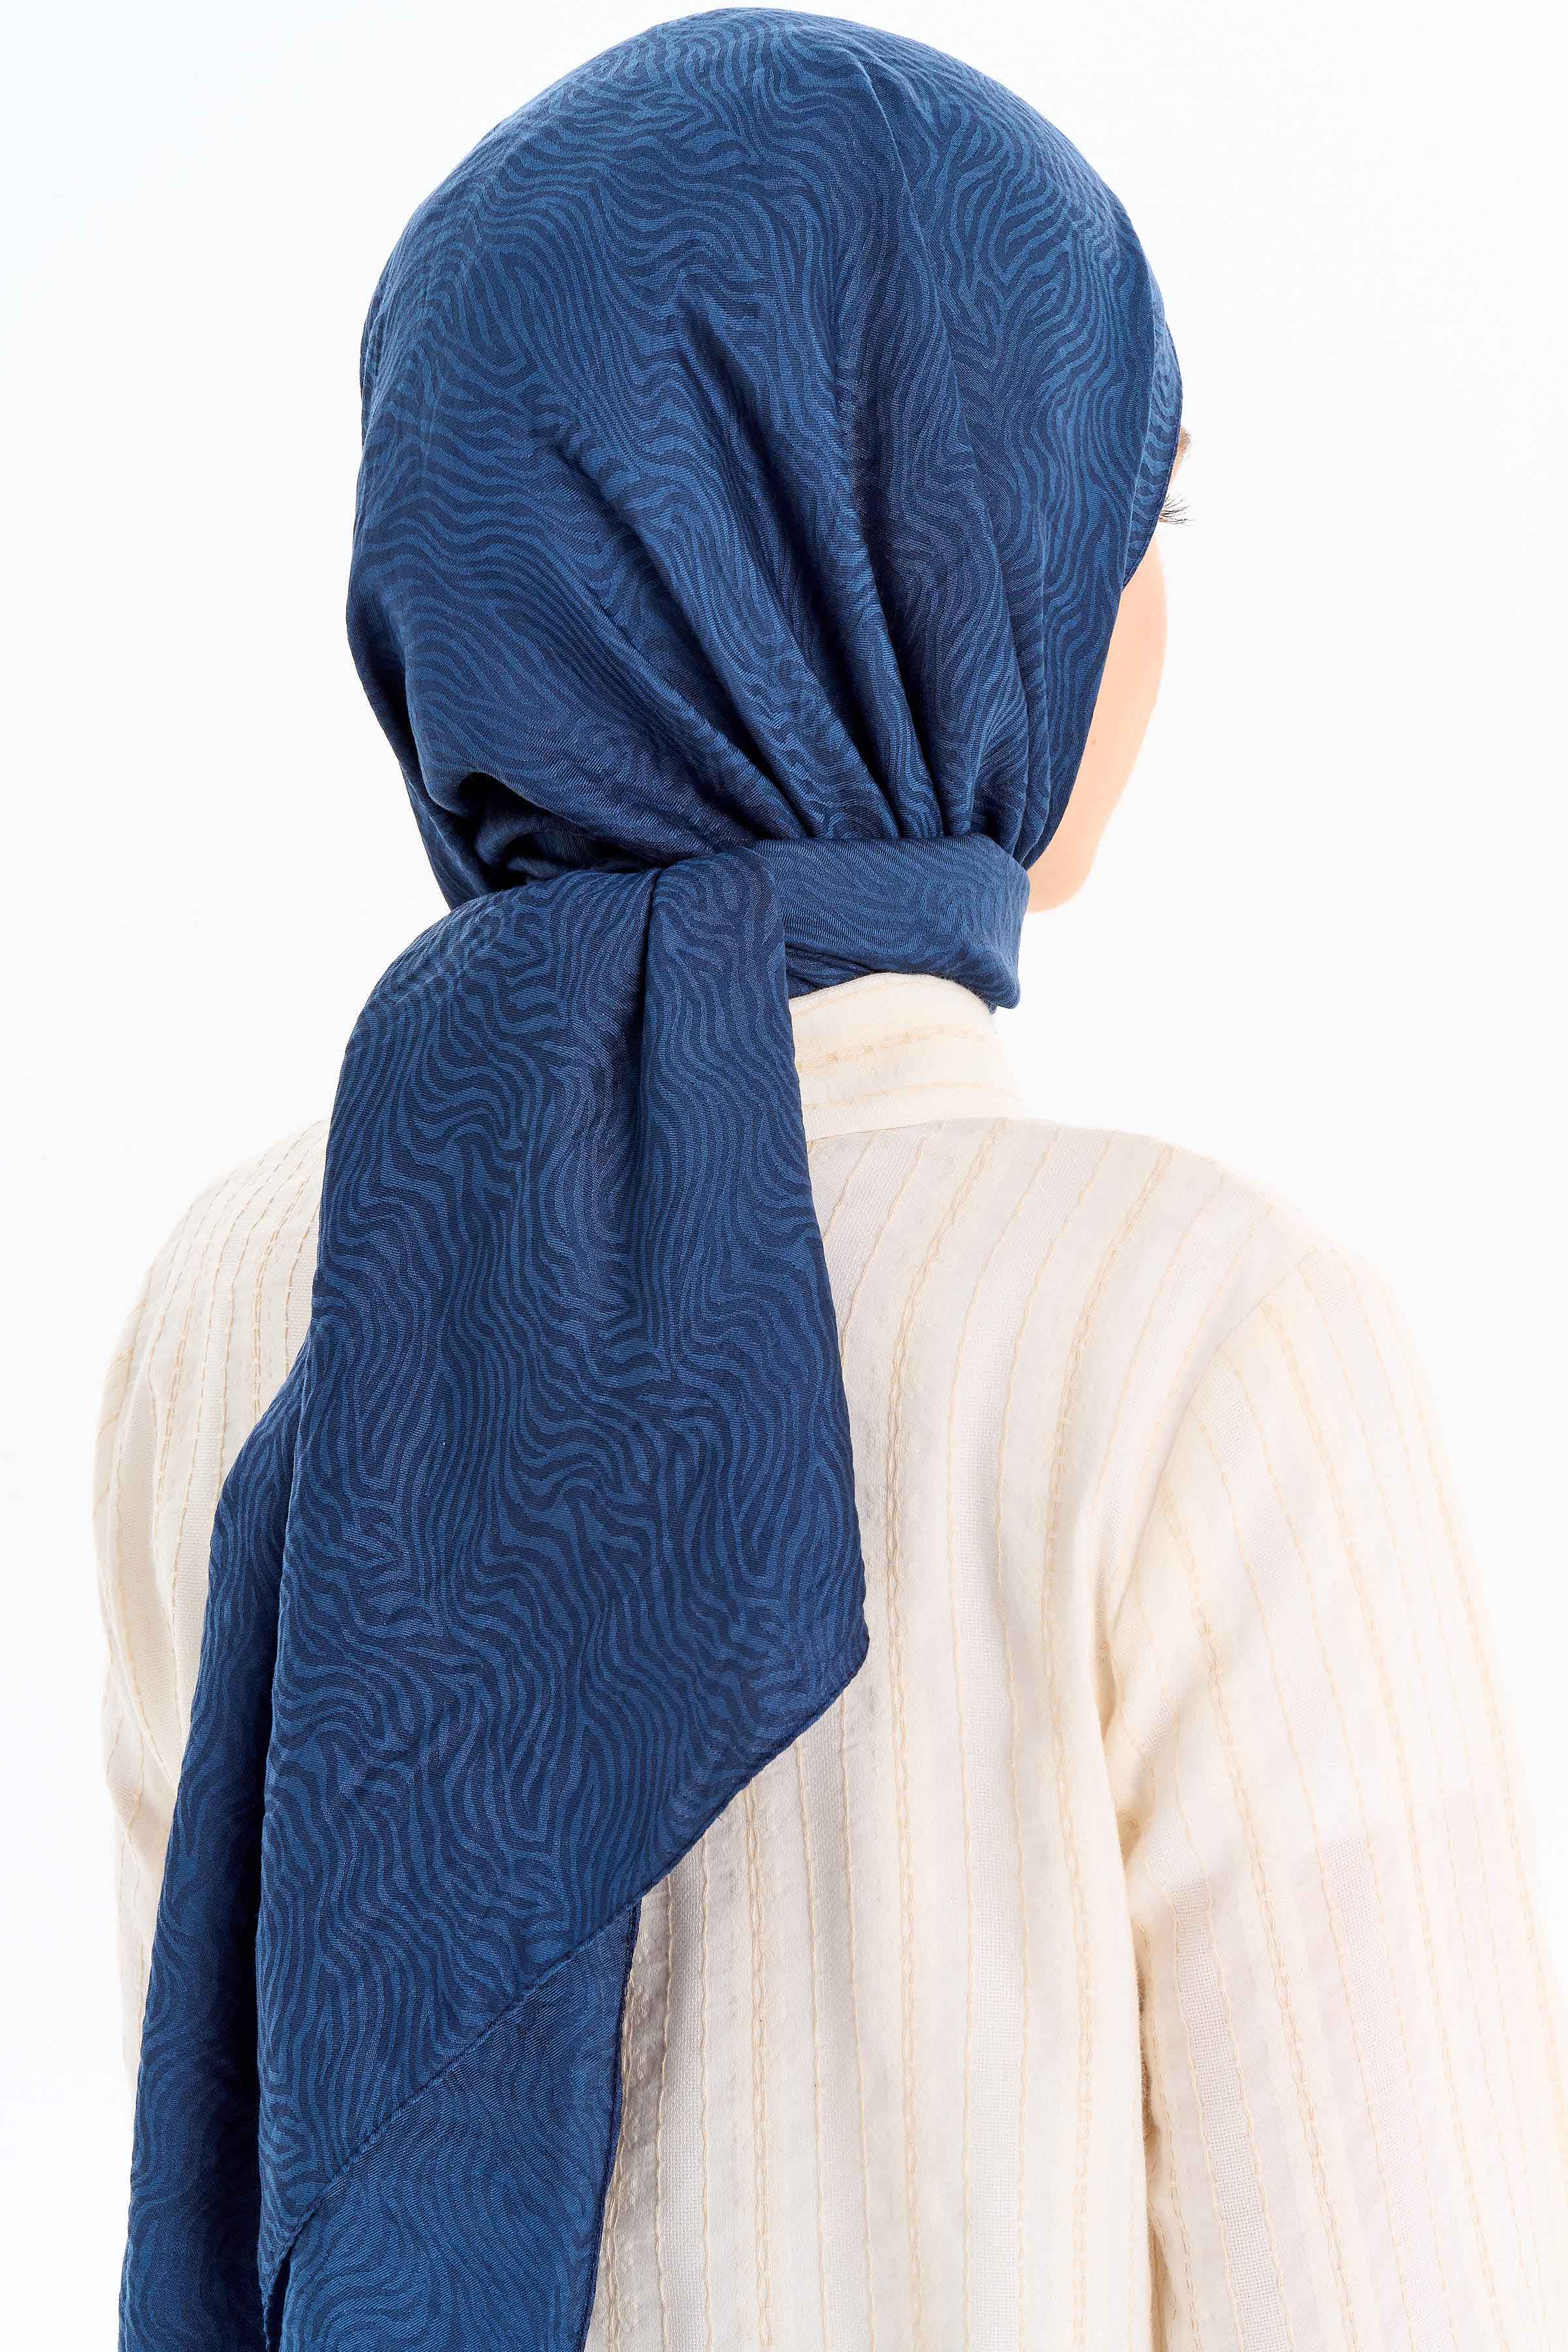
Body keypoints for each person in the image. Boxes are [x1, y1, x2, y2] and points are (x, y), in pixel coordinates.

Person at [95, 12, 1567, 2348]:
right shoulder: (1202, 1341)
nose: (1140, 605)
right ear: (912, 540)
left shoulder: (231, 1309)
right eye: (1136, 510)